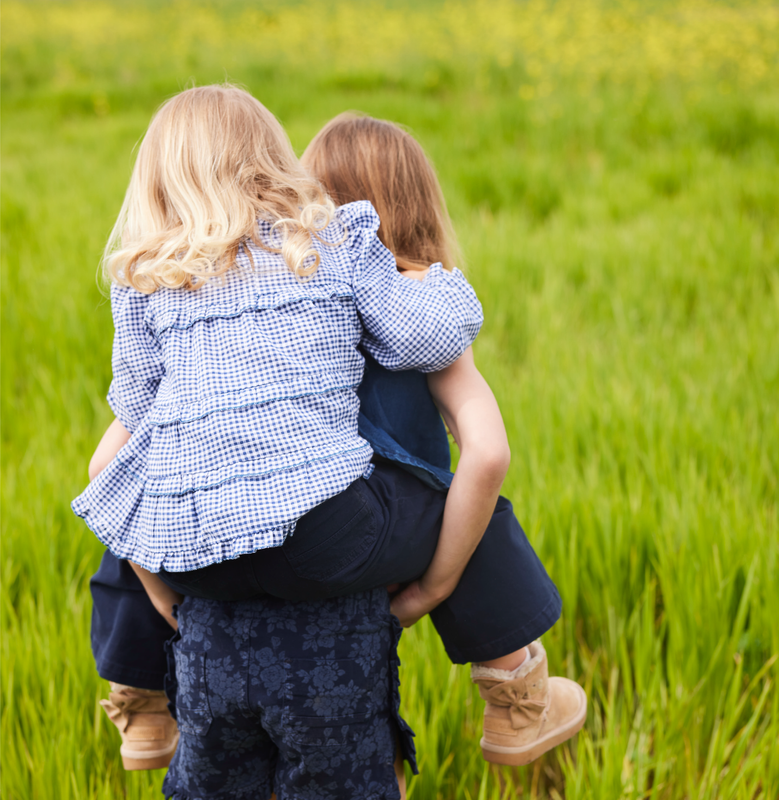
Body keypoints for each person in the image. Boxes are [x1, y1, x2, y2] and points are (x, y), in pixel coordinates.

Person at [75, 87, 583, 796]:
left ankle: (140, 701)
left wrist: (168, 596)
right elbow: (481, 441)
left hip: (199, 567)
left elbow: (109, 462)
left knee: (149, 481)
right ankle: (514, 692)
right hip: (328, 537)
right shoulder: (335, 248)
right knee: (461, 500)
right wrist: (432, 586)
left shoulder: (148, 285)